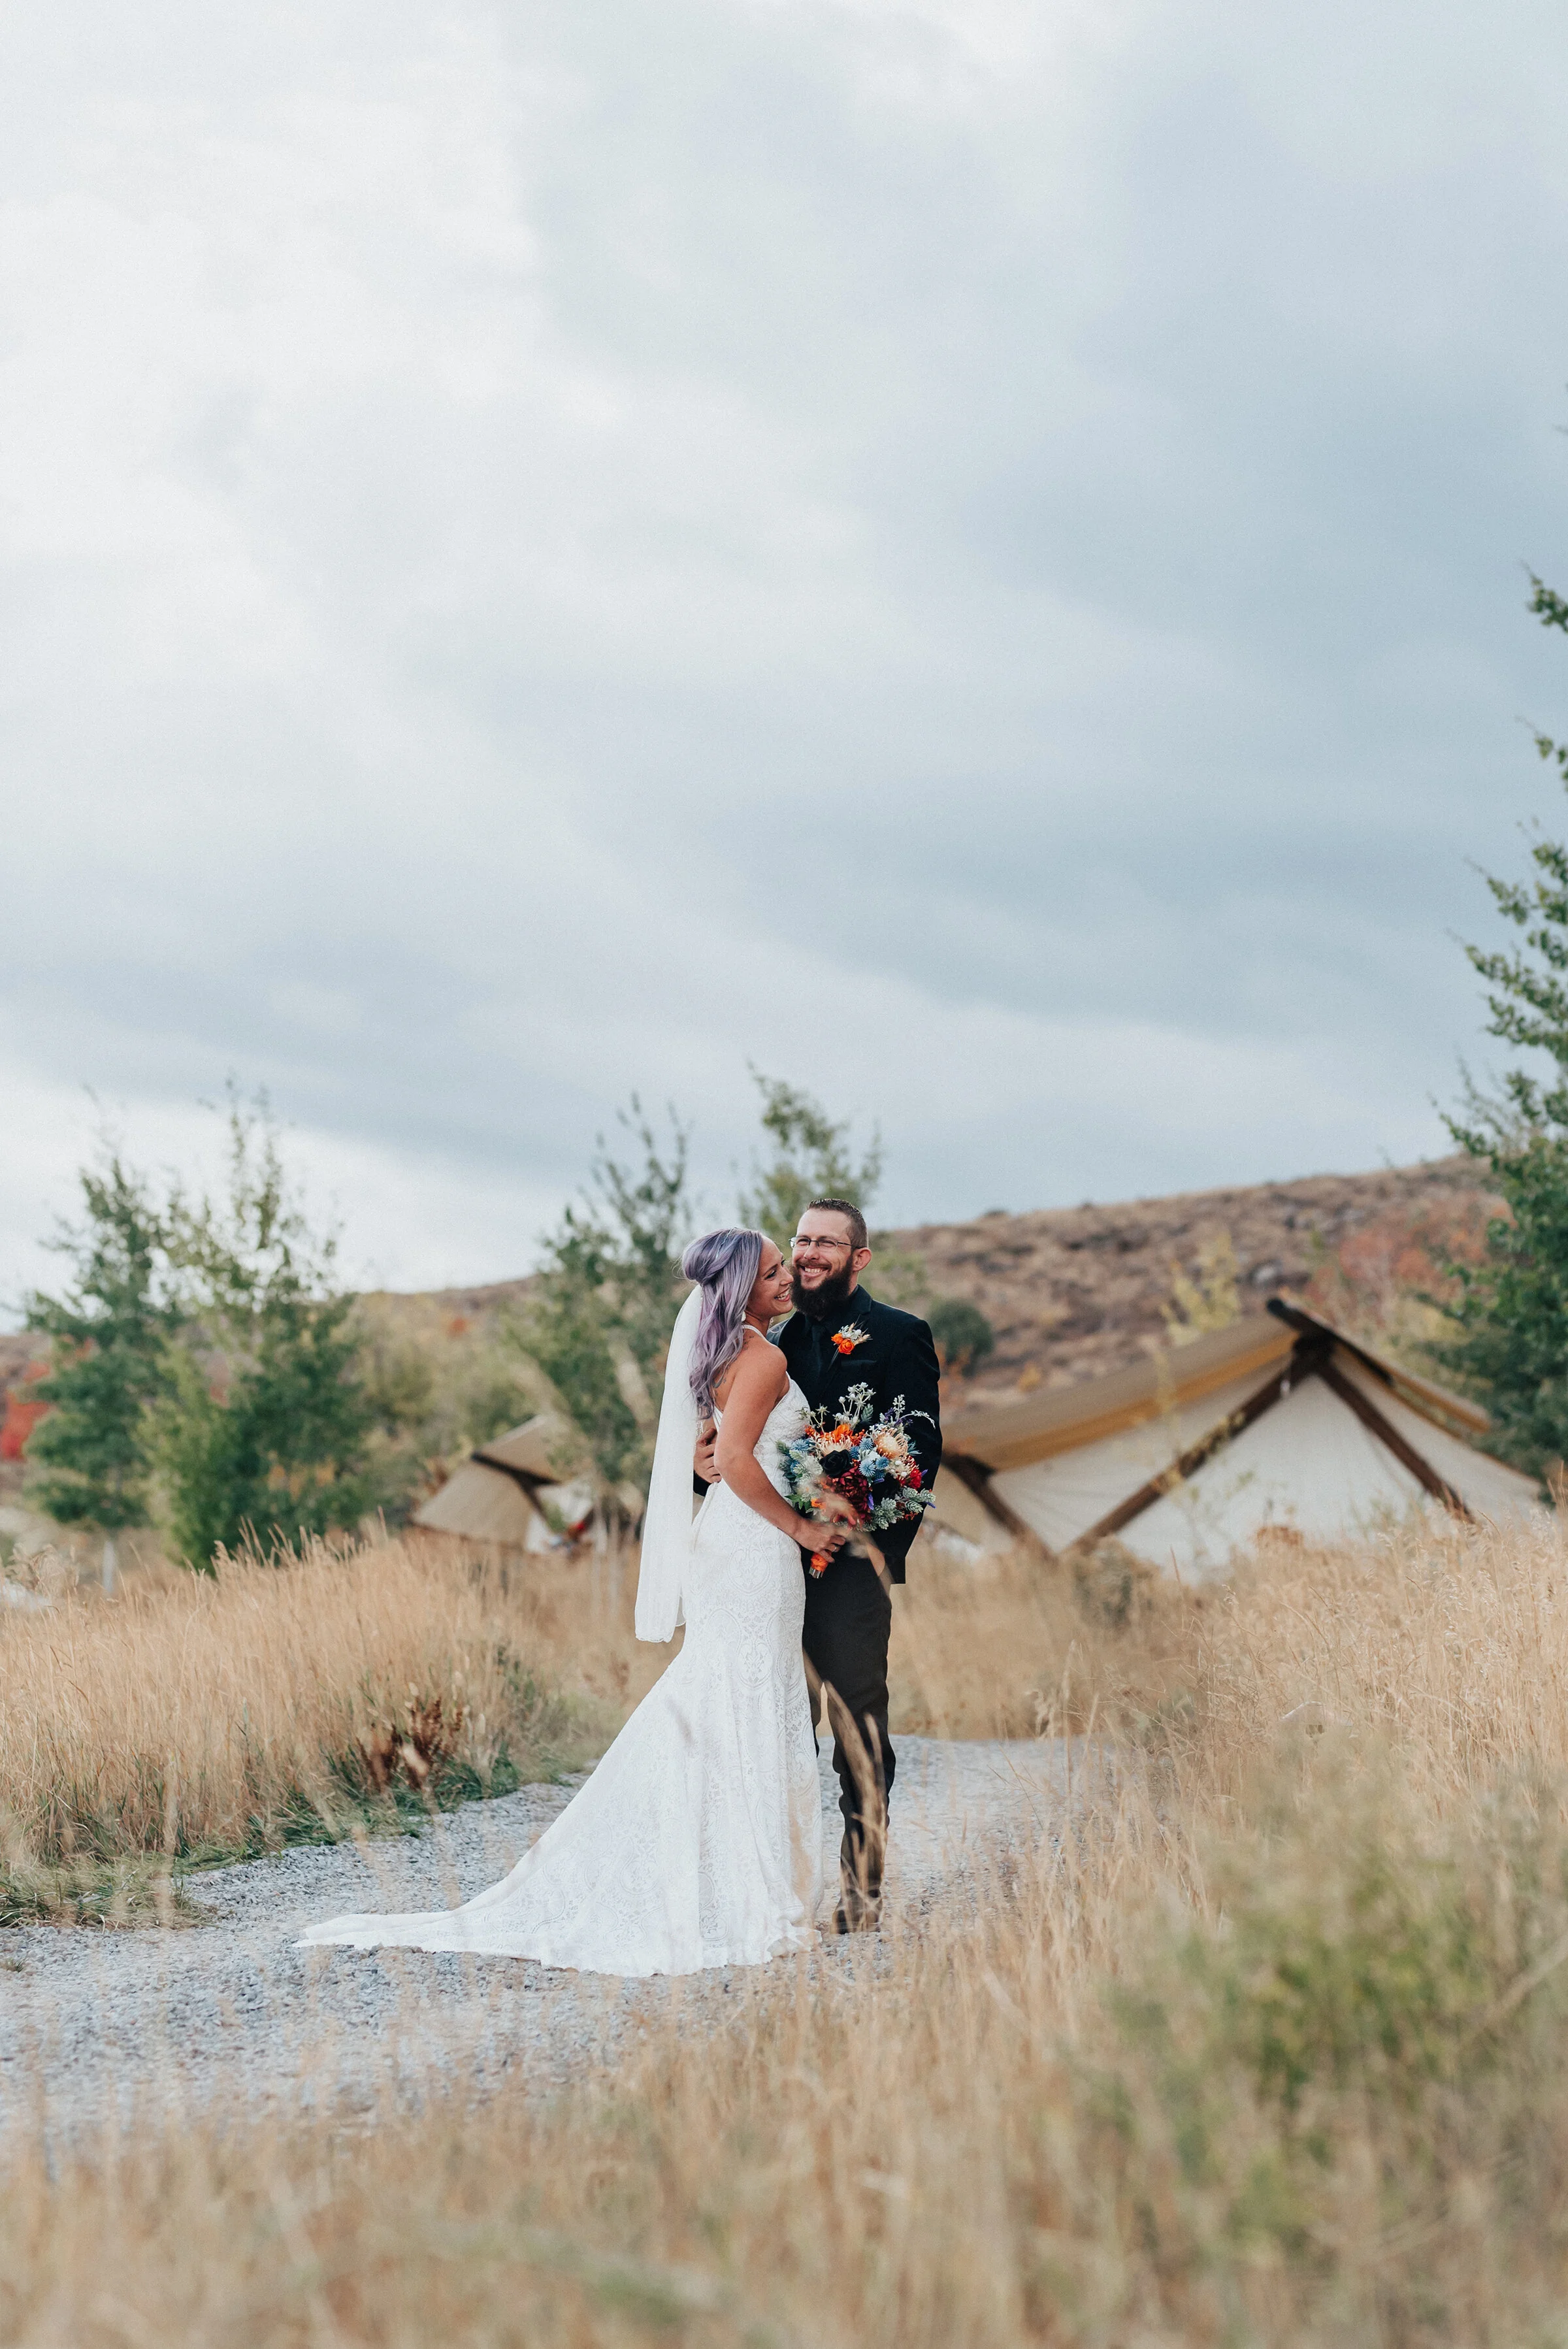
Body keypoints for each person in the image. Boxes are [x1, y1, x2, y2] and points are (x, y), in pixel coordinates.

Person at [298, 1229, 848, 1977]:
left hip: (731, 1543)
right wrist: (802, 1525)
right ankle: (742, 1887)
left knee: (728, 1692)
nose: (786, 1279)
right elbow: (740, 1460)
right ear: (742, 1284)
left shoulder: (718, 1353)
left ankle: (729, 1875)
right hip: (753, 1548)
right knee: (742, 1692)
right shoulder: (762, 1357)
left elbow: (712, 1453)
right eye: (774, 1271)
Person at [696, 1198, 942, 1932]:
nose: (806, 1253)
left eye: (825, 1242)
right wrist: (699, 1462)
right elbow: (724, 1448)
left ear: (858, 1257)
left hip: (846, 1567)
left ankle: (860, 1894)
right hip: (762, 1563)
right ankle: (767, 1889)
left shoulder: (899, 1334)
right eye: (799, 1239)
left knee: (857, 1732)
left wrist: (852, 1520)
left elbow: (917, 1450)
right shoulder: (760, 1340)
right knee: (764, 1727)